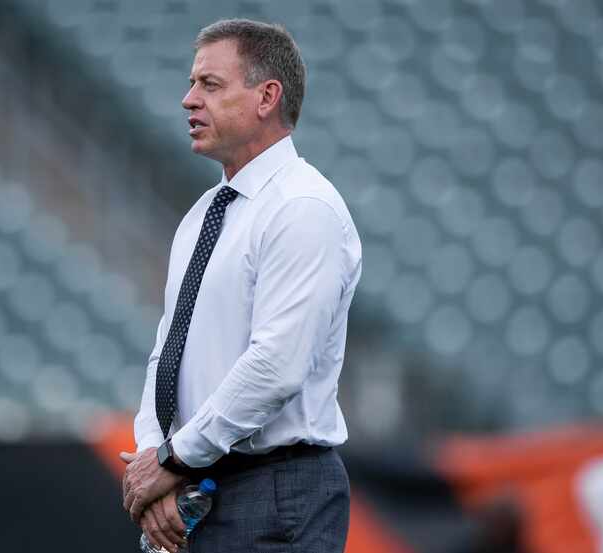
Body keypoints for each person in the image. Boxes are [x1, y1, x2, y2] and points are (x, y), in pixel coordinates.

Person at [119, 18, 362, 553]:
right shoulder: (207, 212)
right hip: (199, 488)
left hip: (276, 491)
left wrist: (171, 460)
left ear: (266, 96)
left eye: (209, 84)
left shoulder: (303, 208)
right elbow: (169, 349)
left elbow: (276, 366)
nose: (187, 100)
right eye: (191, 84)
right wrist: (155, 459)